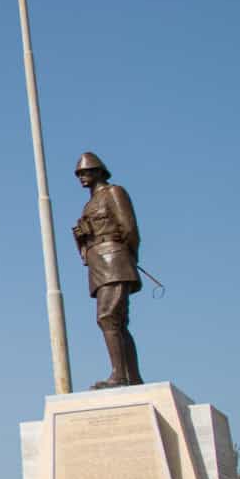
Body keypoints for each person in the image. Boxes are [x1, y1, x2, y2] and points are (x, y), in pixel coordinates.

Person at [71, 152, 144, 389]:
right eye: (80, 173)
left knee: (108, 317)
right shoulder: (88, 204)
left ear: (100, 171)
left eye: (87, 171)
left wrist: (128, 258)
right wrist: (81, 238)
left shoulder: (114, 192)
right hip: (97, 263)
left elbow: (129, 228)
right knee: (115, 321)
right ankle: (131, 377)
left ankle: (120, 376)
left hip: (115, 259)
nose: (83, 176)